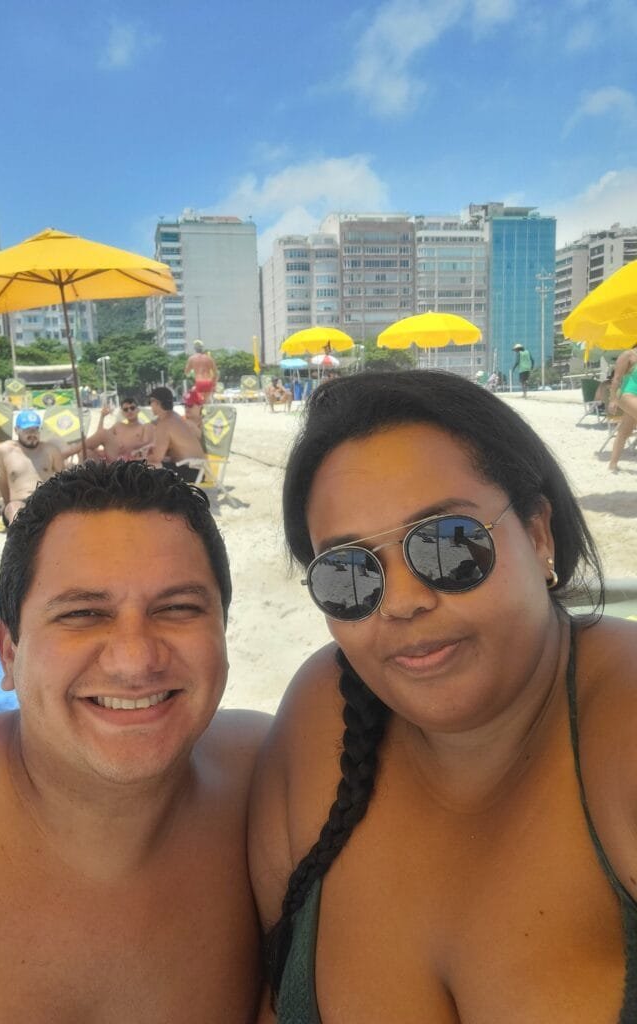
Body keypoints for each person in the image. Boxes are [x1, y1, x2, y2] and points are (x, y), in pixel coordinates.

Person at [249, 369, 637, 1023]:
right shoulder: (324, 715)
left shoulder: (622, 729)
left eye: (447, 545)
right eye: (349, 574)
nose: (402, 602)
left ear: (538, 534)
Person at [0, 460, 269, 1021]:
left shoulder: (274, 780)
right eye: (83, 614)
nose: (135, 661)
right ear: (8, 652)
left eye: (178, 608)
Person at [0, 409, 66, 525]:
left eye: (36, 429)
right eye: (28, 430)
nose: (32, 434)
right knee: (13, 509)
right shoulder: (4, 451)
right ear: (16, 430)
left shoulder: (50, 450)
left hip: (45, 500)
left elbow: (64, 480)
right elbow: (2, 481)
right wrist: (7, 503)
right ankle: (18, 536)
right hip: (19, 502)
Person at [69, 396, 155, 463]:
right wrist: (102, 417)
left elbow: (147, 444)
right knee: (84, 453)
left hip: (128, 458)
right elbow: (99, 436)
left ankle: (68, 453)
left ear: (138, 410)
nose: (129, 411)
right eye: (126, 409)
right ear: (122, 413)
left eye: (132, 408)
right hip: (111, 457)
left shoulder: (145, 427)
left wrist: (128, 445)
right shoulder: (119, 426)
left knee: (104, 434)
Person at [148, 386, 206, 481]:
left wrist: (140, 457)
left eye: (151, 402)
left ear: (157, 403)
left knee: (145, 467)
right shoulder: (176, 418)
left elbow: (156, 458)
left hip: (191, 472)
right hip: (197, 470)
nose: (150, 406)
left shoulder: (165, 423)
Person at [607, 344, 637, 473]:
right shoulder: (628, 355)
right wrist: (613, 399)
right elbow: (617, 378)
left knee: (624, 431)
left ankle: (613, 464)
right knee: (624, 431)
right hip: (627, 395)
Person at [184, 339, 218, 404]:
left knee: (199, 403)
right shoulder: (209, 358)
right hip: (208, 382)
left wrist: (192, 374)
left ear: (194, 348)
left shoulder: (191, 358)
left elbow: (186, 372)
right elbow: (216, 373)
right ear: (202, 348)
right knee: (206, 402)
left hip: (199, 382)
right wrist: (214, 384)